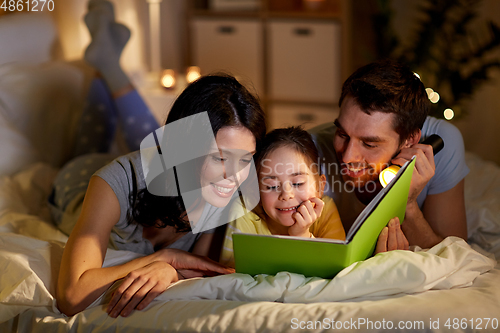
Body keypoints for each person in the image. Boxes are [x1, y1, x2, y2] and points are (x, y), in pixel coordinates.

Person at [51, 1, 267, 318]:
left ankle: (105, 62)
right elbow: (72, 296)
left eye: (245, 159)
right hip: (76, 181)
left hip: (157, 165)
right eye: (220, 159)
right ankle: (106, 63)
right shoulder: (112, 182)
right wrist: (166, 258)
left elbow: (200, 270)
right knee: (86, 149)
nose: (234, 177)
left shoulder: (224, 193)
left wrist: (172, 271)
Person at [309, 59, 469, 249]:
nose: (347, 157)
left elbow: (456, 255)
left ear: (410, 140)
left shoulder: (441, 142)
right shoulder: (307, 152)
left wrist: (406, 205)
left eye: (369, 144)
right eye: (342, 134)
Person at [220, 126, 408, 267]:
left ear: (320, 186)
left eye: (297, 183)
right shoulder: (243, 212)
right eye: (271, 186)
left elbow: (337, 270)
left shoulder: (325, 210)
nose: (286, 194)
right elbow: (232, 276)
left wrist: (301, 235)